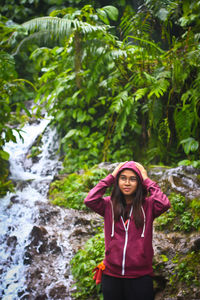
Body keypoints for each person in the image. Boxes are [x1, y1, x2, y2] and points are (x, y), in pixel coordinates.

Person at [84, 161, 171, 300]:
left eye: (133, 179)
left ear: (139, 182)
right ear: (117, 181)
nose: (127, 183)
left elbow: (164, 203)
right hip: (111, 276)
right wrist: (111, 176)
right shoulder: (108, 204)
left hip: (140, 277)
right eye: (123, 178)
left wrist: (147, 179)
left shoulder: (148, 206)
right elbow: (90, 199)